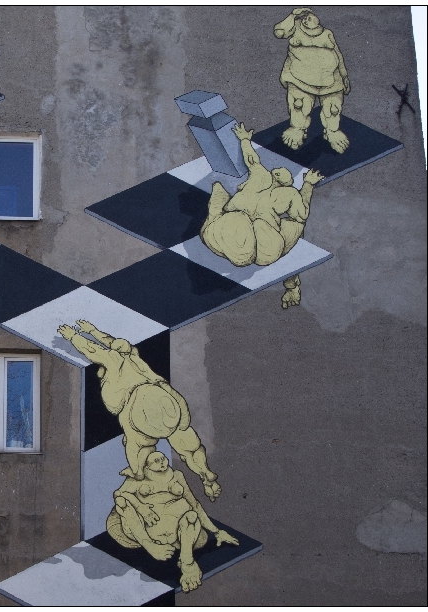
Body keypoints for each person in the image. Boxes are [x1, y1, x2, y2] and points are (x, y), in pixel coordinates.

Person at [58, 320, 221, 501]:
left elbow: (92, 350)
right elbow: (111, 342)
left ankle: (138, 474)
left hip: (136, 406)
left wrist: (73, 336)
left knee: (138, 448)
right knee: (188, 445)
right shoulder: (132, 355)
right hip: (164, 396)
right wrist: (93, 330)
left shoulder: (114, 360)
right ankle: (205, 473)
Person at [199, 122, 324, 308]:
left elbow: (252, 161)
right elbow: (252, 160)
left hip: (250, 241)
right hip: (239, 237)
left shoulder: (278, 188)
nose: (280, 171)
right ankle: (291, 284)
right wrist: (308, 185)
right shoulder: (270, 182)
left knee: (230, 206)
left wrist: (308, 185)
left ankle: (291, 285)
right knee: (233, 207)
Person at [107, 451, 239, 593]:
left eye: (163, 458)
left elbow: (194, 504)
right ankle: (151, 546)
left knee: (192, 516)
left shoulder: (177, 475)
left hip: (179, 534)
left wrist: (216, 531)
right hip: (147, 531)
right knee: (123, 504)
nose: (162, 462)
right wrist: (141, 508)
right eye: (156, 461)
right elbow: (118, 495)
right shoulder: (137, 478)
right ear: (147, 466)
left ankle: (187, 562)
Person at [275, 7, 351, 153]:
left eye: (309, 16)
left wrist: (344, 75)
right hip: (299, 79)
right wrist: (293, 15)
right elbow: (279, 32)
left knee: (333, 109)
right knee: (298, 105)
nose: (306, 19)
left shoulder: (327, 33)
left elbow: (338, 54)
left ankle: (332, 131)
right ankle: (297, 129)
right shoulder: (295, 27)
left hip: (330, 80)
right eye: (304, 17)